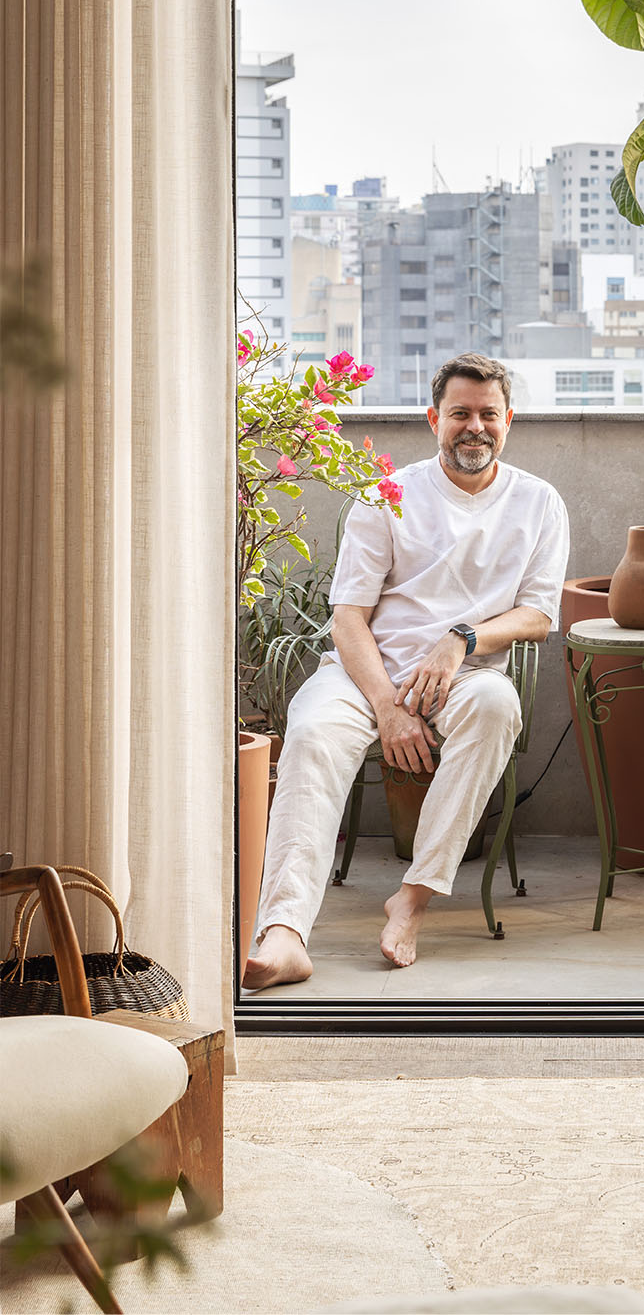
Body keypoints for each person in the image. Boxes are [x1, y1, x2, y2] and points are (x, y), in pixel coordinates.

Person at [244, 353, 569, 985]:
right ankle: (283, 932)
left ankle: (412, 900)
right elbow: (348, 619)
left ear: (509, 421)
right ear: (433, 419)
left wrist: (462, 639)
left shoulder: (538, 502)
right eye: (459, 414)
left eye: (488, 414)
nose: (474, 426)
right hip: (363, 672)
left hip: (463, 675)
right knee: (310, 737)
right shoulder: (385, 494)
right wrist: (388, 706)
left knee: (498, 706)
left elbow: (538, 614)